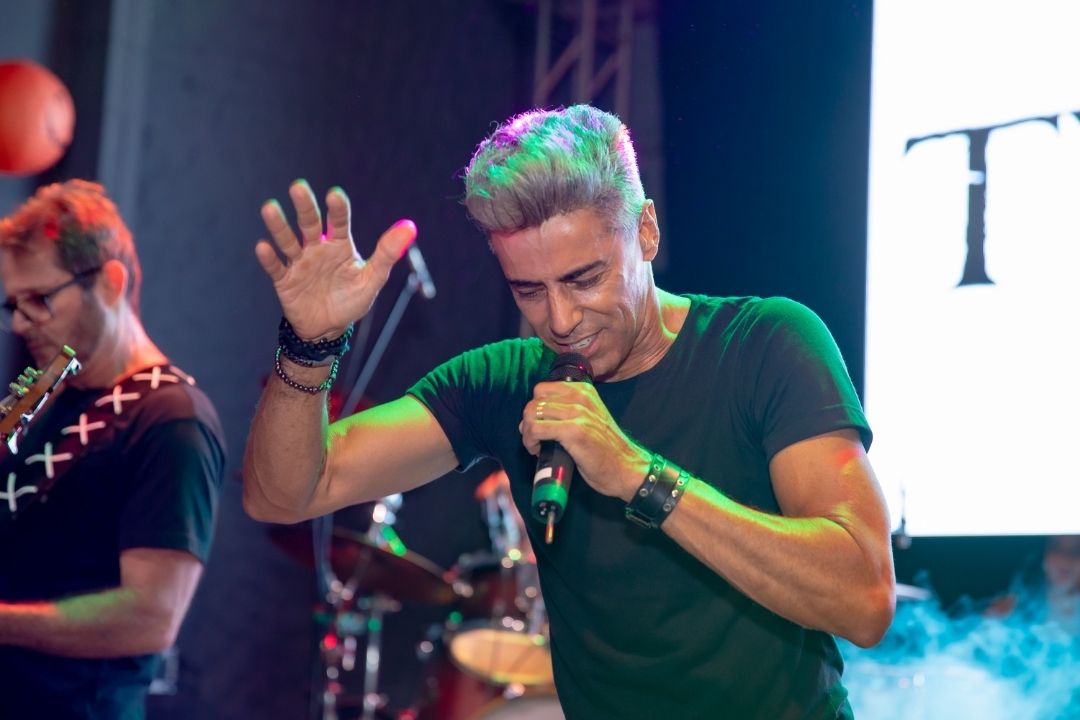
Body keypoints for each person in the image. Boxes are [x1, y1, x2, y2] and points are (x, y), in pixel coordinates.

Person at [243, 105, 895, 718]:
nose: (559, 320)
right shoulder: (503, 382)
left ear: (646, 231)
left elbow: (865, 600)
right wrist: (309, 347)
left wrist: (638, 475)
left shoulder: (765, 344)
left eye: (585, 279)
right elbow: (284, 495)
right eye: (529, 290)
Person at [0, 180, 226, 719]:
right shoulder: (49, 391)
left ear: (110, 283)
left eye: (39, 299)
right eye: (12, 304)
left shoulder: (172, 418)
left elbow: (152, 617)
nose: (21, 322)